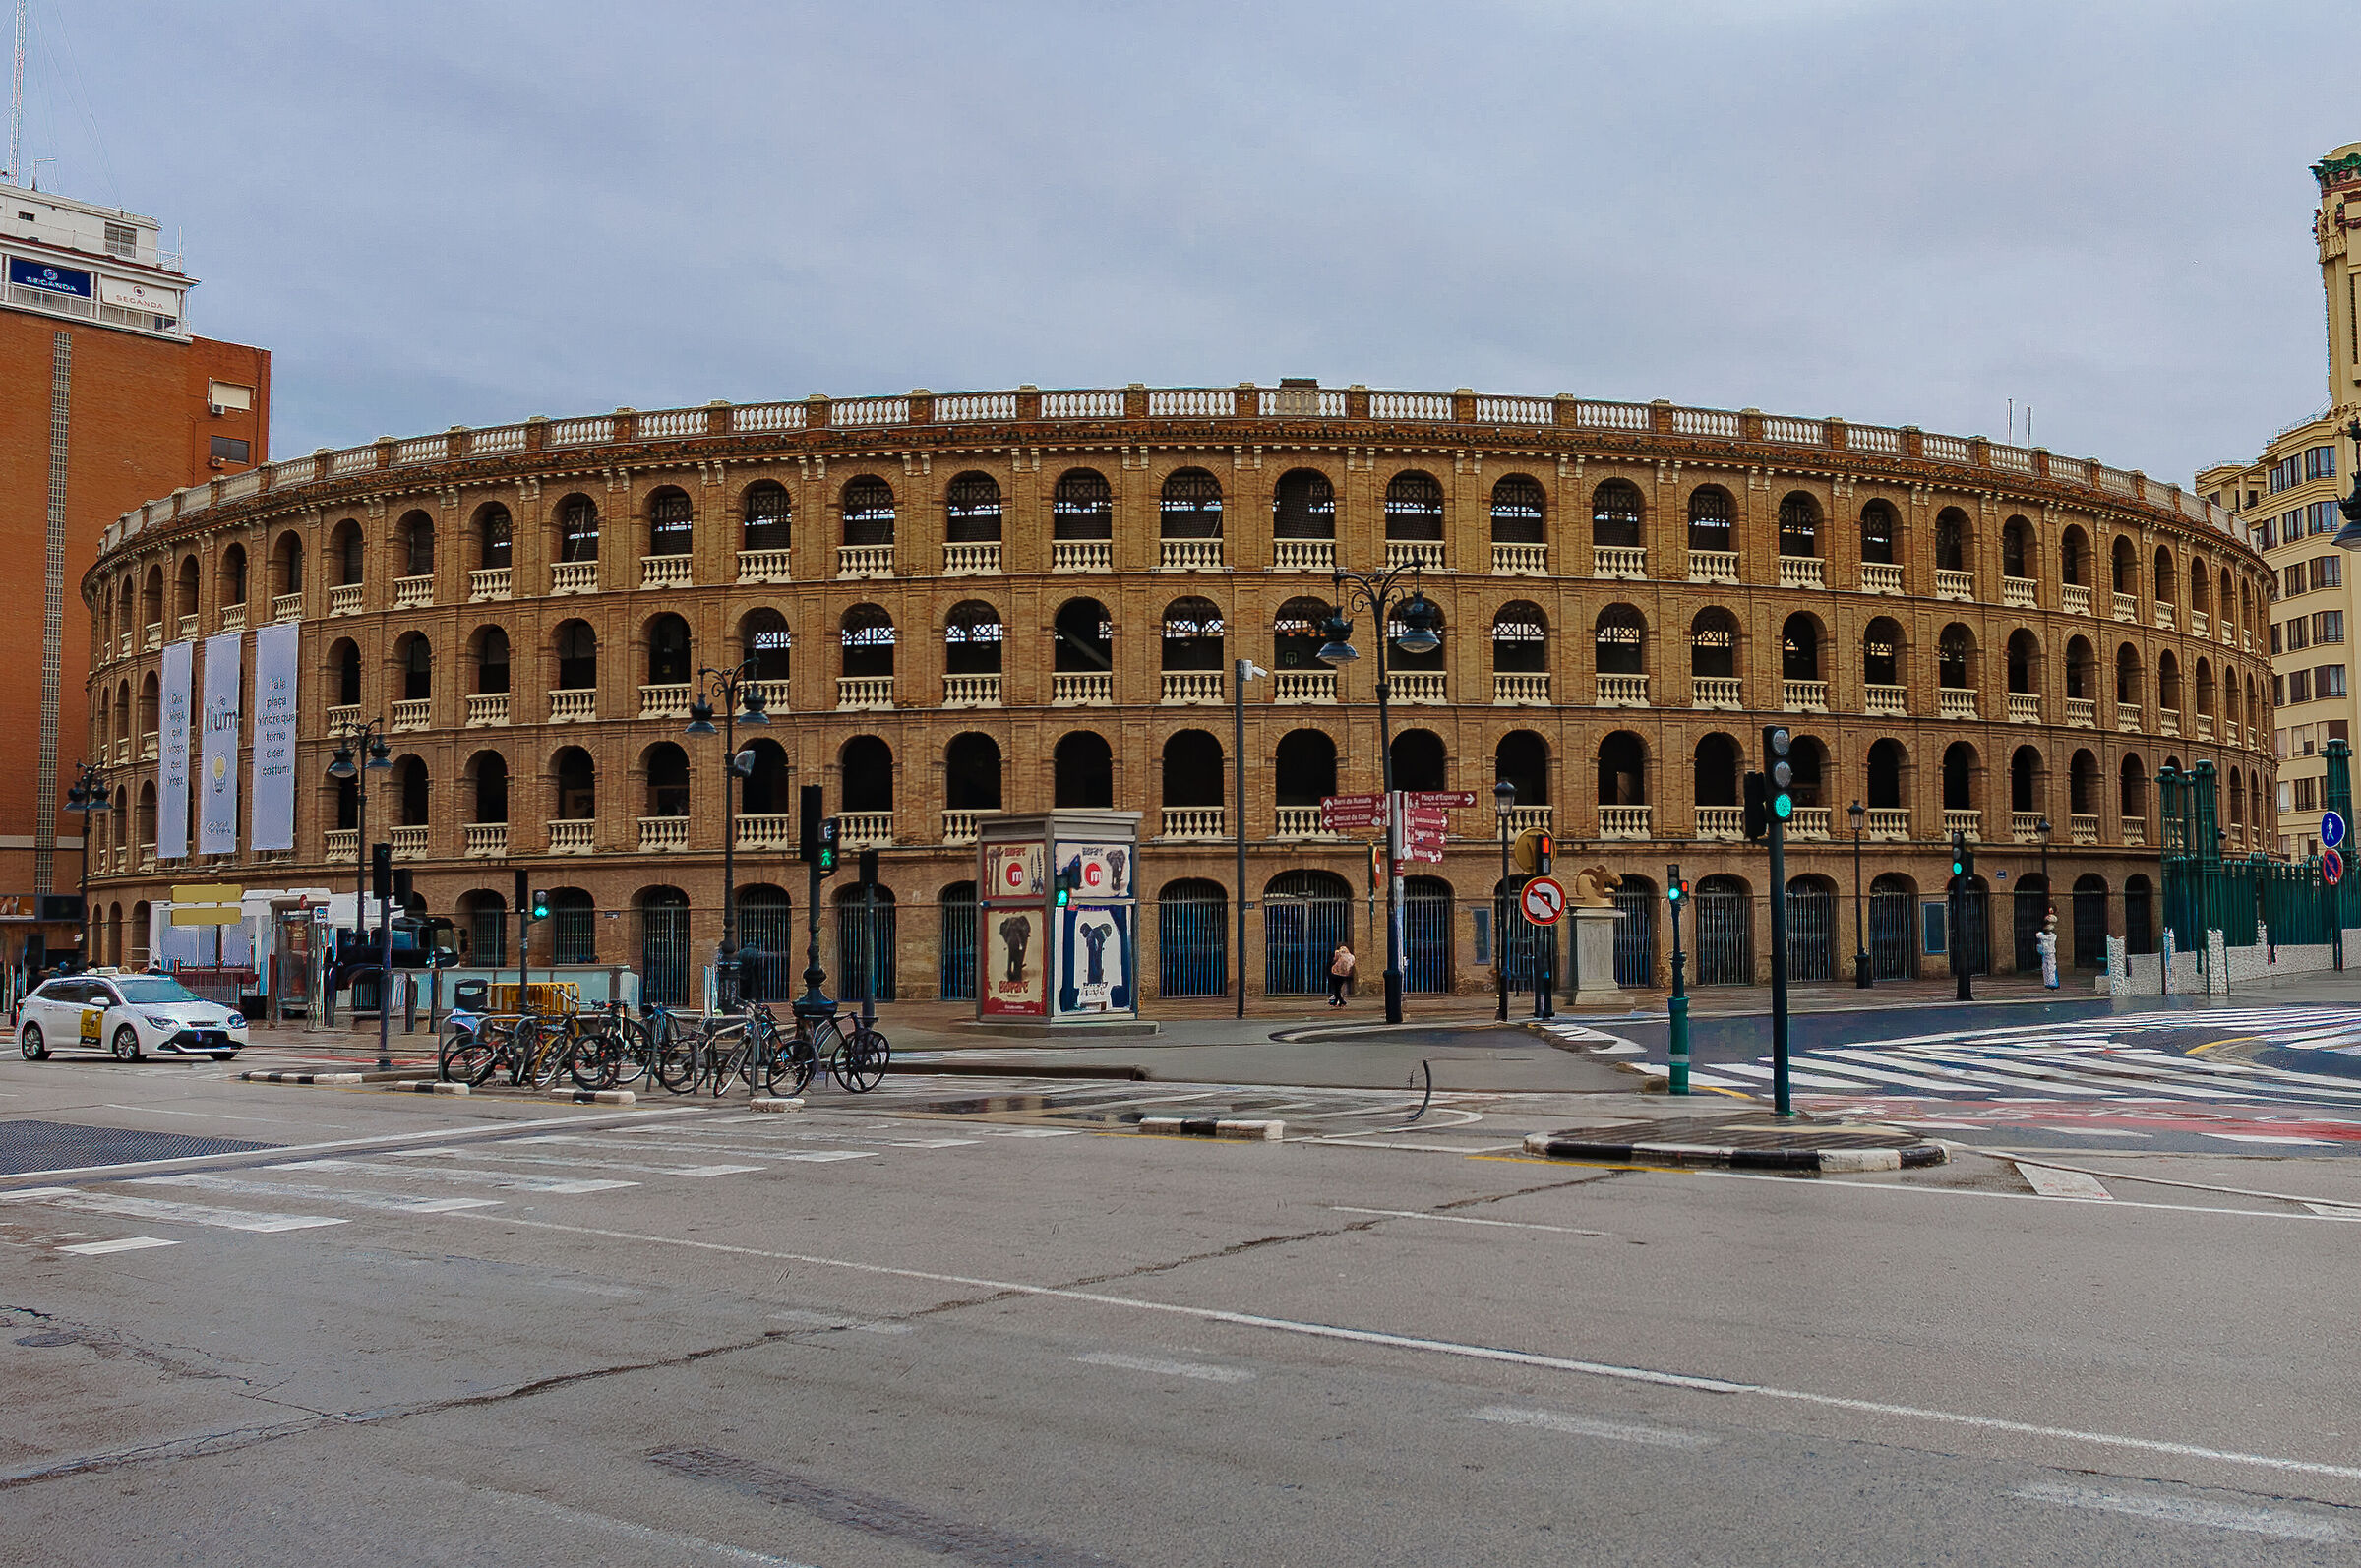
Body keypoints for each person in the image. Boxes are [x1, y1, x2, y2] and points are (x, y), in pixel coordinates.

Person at [1327, 943, 1356, 1007]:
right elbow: (1351, 965)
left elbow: (1334, 960)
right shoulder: (1351, 956)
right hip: (1344, 974)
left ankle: (1341, 1001)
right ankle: (1336, 1001)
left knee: (1336, 988)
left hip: (1335, 973)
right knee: (1339, 987)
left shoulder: (1338, 953)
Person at [2037, 911, 2060, 991]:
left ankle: (2052, 983)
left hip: (2049, 953)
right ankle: (2049, 983)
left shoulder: (2050, 936)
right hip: (2047, 952)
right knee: (2047, 968)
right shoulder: (2046, 936)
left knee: (2050, 968)